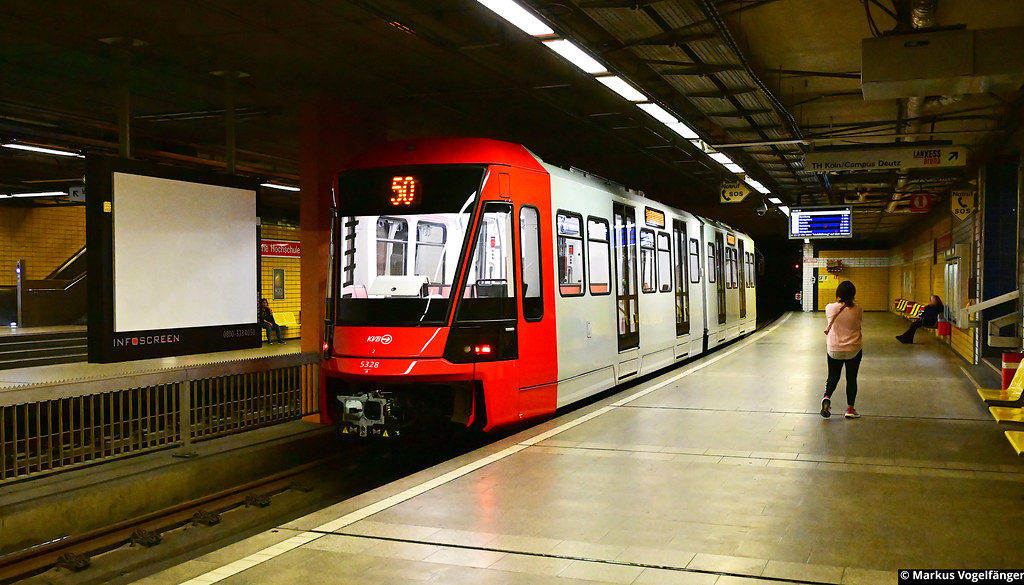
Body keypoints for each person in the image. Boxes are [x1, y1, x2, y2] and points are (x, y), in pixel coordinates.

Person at [821, 280, 863, 419]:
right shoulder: (858, 309)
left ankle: (827, 397)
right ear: (853, 294)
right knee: (851, 379)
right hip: (853, 349)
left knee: (833, 376)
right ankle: (850, 409)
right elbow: (858, 325)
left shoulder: (829, 307)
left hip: (834, 349)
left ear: (838, 293)